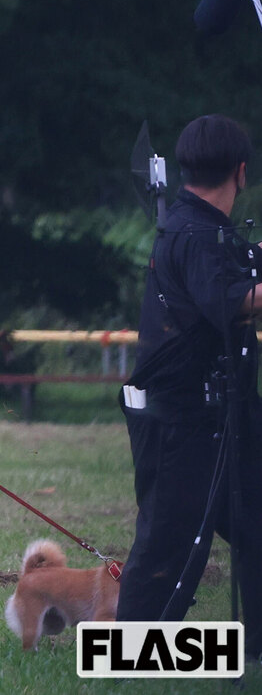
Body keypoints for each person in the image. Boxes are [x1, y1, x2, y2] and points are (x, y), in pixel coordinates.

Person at [117, 114, 262, 662]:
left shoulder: (194, 225)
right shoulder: (195, 233)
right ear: (241, 172)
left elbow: (231, 270)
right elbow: (227, 300)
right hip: (184, 422)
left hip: (226, 415)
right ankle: (129, 654)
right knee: (170, 542)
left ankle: (253, 649)